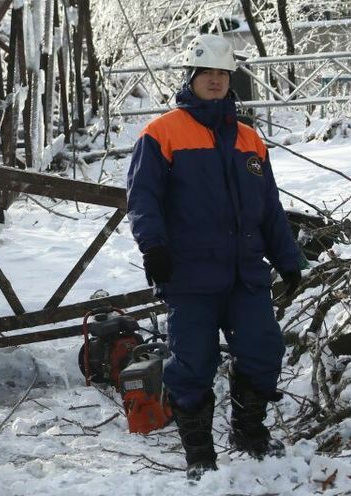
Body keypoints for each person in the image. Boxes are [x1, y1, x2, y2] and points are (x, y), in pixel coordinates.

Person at [125, 34, 305, 480]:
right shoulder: (162, 133)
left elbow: (269, 206)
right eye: (207, 73)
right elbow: (142, 198)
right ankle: (200, 455)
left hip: (245, 273)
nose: (215, 81)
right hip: (189, 275)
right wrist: (155, 248)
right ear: (191, 76)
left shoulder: (249, 139)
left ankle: (249, 432)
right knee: (192, 364)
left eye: (223, 74)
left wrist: (287, 258)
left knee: (264, 349)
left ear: (231, 80)